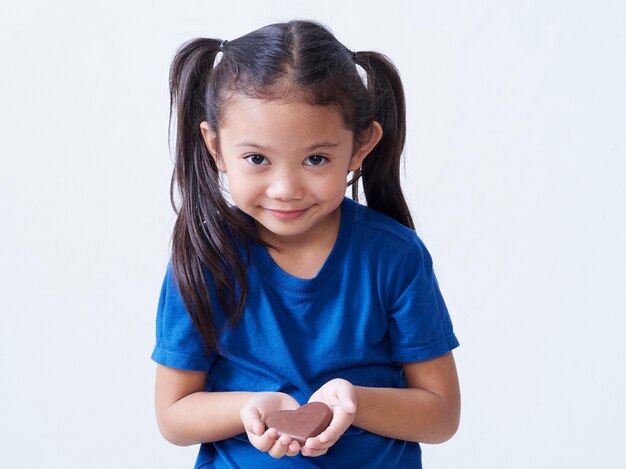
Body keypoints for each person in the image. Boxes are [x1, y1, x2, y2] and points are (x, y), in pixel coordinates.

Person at [151, 19, 460, 468]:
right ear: (215, 147)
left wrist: (354, 403)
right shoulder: (205, 261)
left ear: (359, 147)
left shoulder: (394, 257)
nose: (285, 188)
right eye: (256, 159)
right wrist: (249, 408)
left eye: (316, 159)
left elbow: (442, 415)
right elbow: (174, 416)